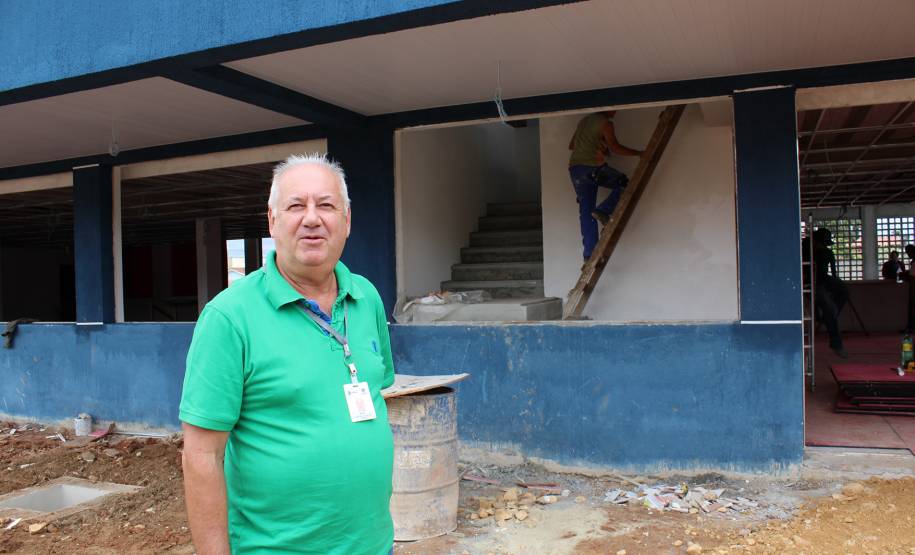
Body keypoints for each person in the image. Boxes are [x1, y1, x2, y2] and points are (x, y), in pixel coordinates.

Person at [179, 154, 396, 554]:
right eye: (296, 205)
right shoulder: (229, 317)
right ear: (272, 220)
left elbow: (378, 393)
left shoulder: (368, 298)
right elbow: (201, 456)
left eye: (326, 205)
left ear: (346, 220)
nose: (312, 218)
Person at [568, 110, 642, 260]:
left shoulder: (585, 120)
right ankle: (603, 210)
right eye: (614, 108)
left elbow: (571, 146)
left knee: (586, 211)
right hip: (592, 167)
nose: (616, 111)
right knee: (624, 184)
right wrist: (638, 153)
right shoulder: (606, 124)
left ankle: (590, 254)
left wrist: (598, 145)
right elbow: (615, 147)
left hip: (576, 170)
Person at [811, 227, 849, 358]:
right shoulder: (811, 252)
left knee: (831, 312)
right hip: (815, 284)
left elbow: (832, 274)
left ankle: (828, 315)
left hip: (821, 283)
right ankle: (836, 344)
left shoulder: (823, 252)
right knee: (830, 312)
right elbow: (833, 274)